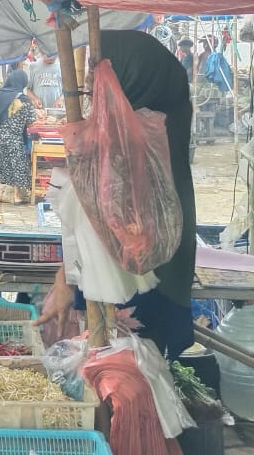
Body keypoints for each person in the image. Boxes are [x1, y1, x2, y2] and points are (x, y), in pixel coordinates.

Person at [37, 30, 197, 358]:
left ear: (129, 73)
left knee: (131, 363)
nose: (91, 87)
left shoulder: (139, 130)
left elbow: (101, 208)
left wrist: (67, 278)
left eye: (97, 76)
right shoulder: (152, 110)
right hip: (134, 266)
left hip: (140, 266)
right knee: (127, 360)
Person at [0, 69, 35, 206]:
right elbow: (31, 120)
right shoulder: (25, 100)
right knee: (16, 166)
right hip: (15, 139)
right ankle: (17, 198)